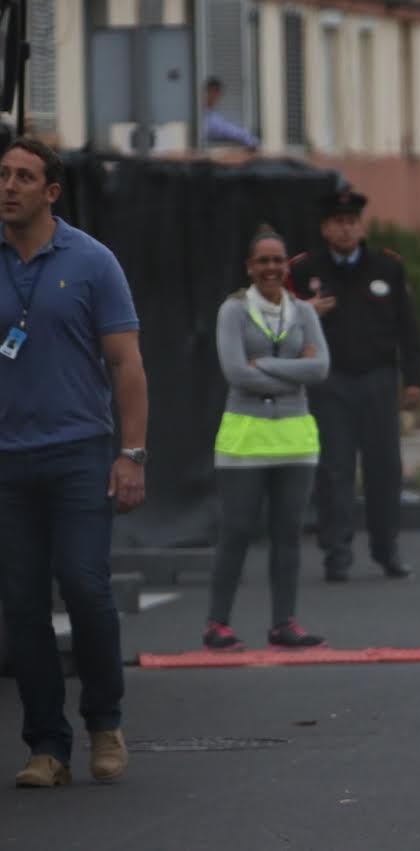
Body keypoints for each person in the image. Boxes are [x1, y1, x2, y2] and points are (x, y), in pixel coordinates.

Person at [0, 137, 148, 787]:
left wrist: (131, 453)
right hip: (8, 459)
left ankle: (104, 721)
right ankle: (46, 746)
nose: (9, 186)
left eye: (24, 176)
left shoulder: (92, 262)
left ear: (51, 191)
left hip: (79, 452)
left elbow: (126, 363)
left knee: (85, 586)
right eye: (2, 174)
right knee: (22, 603)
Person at [287, 189, 420, 582]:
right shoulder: (305, 270)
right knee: (335, 471)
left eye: (352, 222)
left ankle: (387, 550)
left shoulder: (386, 268)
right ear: (326, 228)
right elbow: (277, 321)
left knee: (384, 469)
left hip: (378, 378)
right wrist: (304, 311)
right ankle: (338, 552)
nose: (347, 230)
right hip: (329, 381)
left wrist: (413, 378)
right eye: (339, 222)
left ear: (361, 226)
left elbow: (408, 328)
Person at [203, 225, 330, 651]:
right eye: (263, 261)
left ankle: (284, 623)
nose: (272, 268)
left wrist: (267, 368)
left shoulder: (303, 312)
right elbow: (235, 372)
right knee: (237, 530)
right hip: (246, 439)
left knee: (288, 532)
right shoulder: (233, 311)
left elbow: (321, 369)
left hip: (295, 439)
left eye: (278, 260)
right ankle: (217, 623)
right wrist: (294, 369)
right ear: (250, 267)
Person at [203, 77, 259, 151]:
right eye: (212, 91)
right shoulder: (205, 116)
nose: (214, 96)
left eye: (217, 92)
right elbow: (225, 130)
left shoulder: (212, 114)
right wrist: (249, 139)